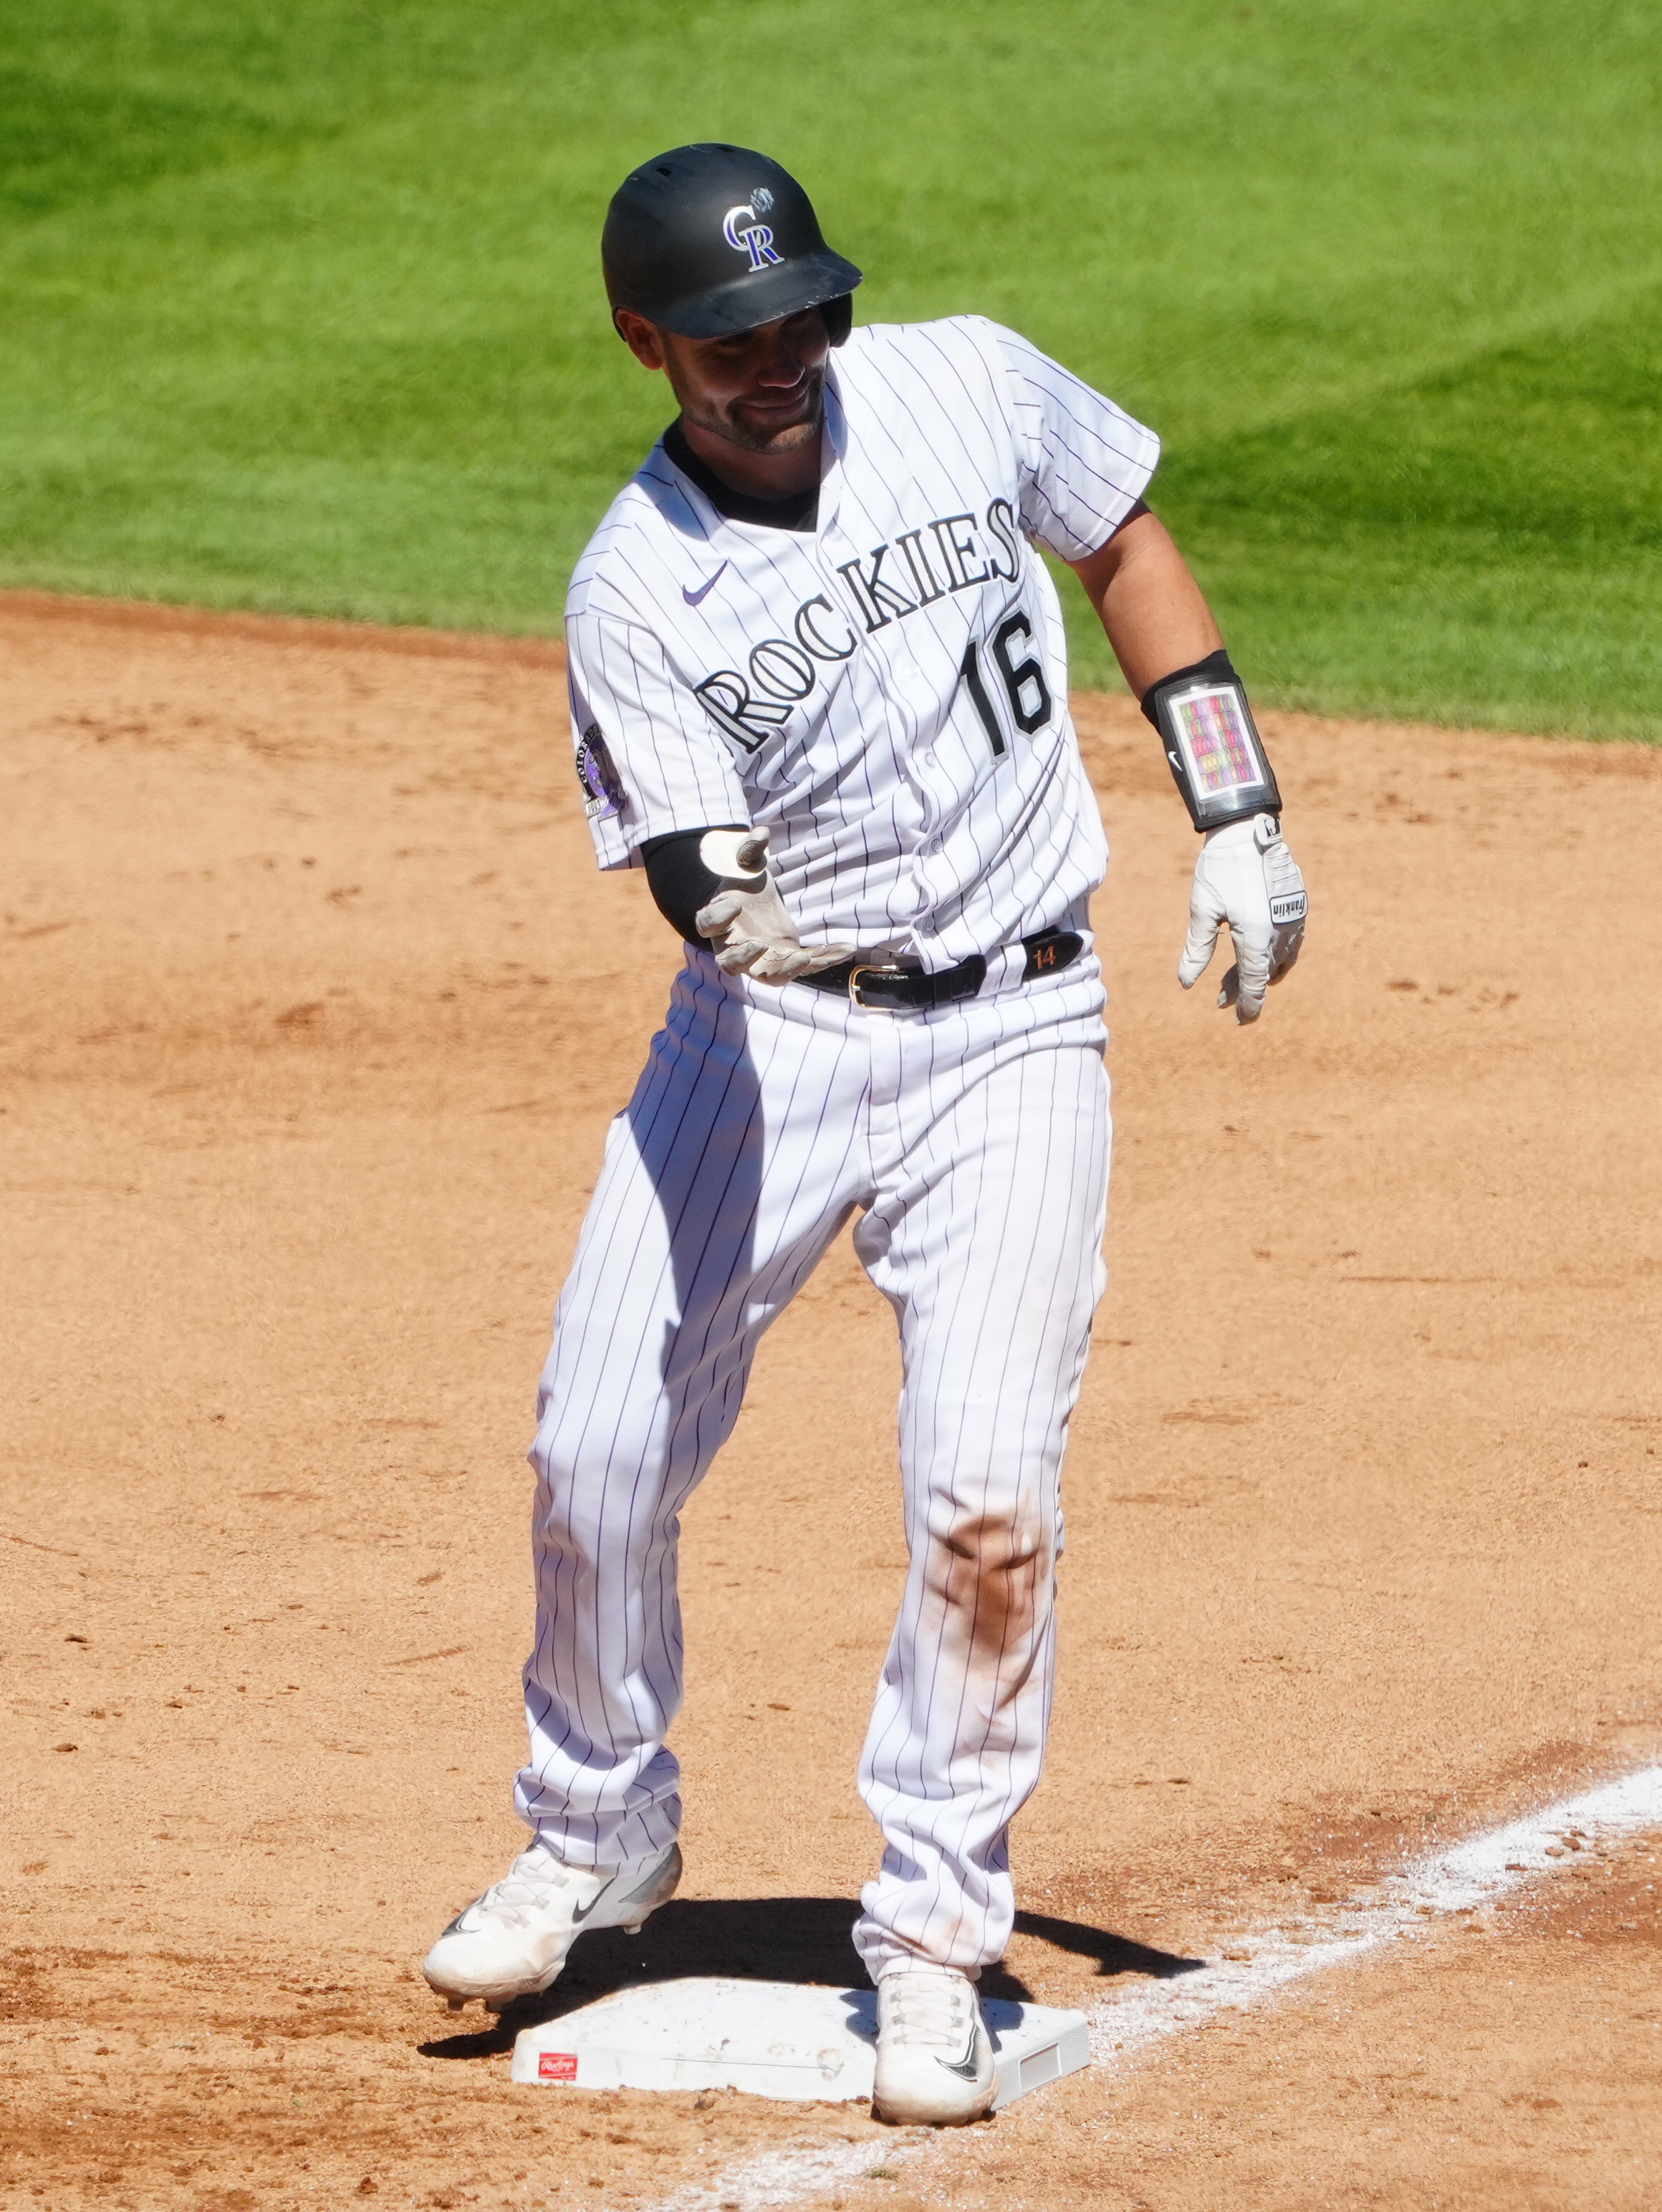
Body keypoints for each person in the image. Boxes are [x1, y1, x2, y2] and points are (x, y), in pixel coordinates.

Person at [422, 143, 1305, 2126]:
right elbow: (681, 856)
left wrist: (1236, 805)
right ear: (646, 342)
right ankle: (595, 1829)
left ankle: (928, 1940)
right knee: (595, 1449)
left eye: (805, 314)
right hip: (765, 1042)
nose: (783, 357)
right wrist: (733, 910)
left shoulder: (970, 381)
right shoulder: (637, 584)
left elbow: (1129, 536)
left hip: (1019, 1031)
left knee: (987, 1502)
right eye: (733, 337)